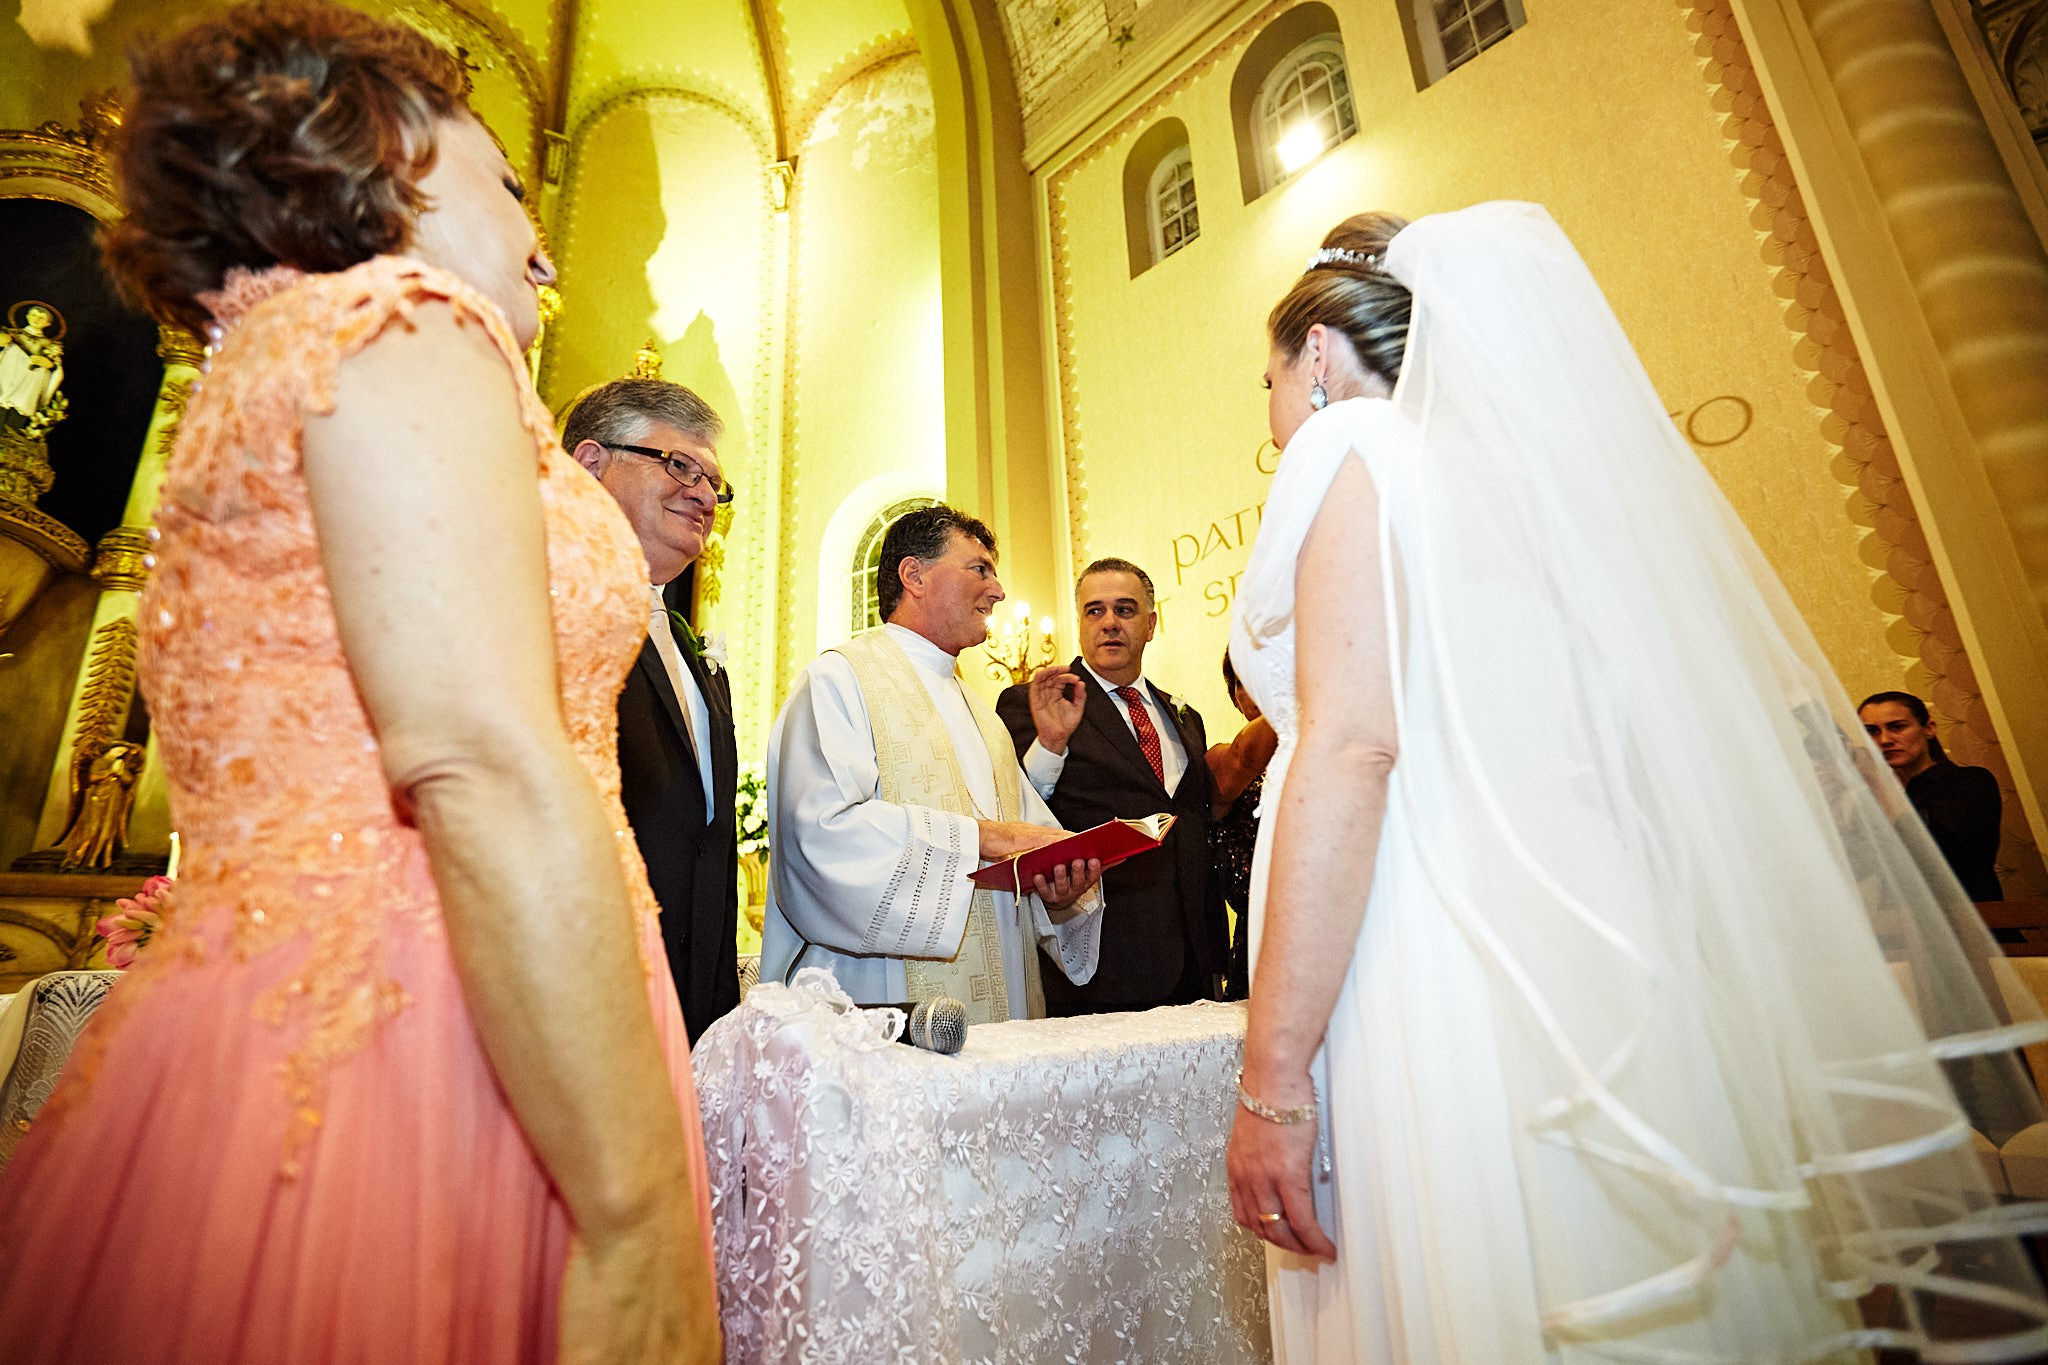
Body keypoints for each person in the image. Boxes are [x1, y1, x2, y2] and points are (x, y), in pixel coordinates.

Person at [0, 6, 720, 1361]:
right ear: (392, 152)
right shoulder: (395, 320)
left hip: (370, 1000)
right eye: (509, 186)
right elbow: (478, 755)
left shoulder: (271, 355)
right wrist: (632, 1213)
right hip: (436, 1021)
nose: (542, 239)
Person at [1224, 202, 2048, 1362]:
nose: (1268, 422)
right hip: (1574, 939)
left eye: (1263, 381)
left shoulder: (1346, 446)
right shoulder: (1522, 492)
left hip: (1416, 937)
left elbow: (1354, 746)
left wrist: (1272, 1076)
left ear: (1314, 355)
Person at [761, 504, 1106, 1021]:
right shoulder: (839, 679)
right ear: (914, 575)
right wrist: (985, 838)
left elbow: (1028, 842)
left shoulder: (981, 715)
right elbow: (817, 839)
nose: (998, 591)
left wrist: (1059, 893)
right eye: (979, 569)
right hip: (880, 1019)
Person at [566, 378, 742, 1042]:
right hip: (583, 1004)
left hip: (688, 1010)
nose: (703, 494)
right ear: (589, 464)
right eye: (678, 465)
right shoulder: (540, 609)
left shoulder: (693, 653)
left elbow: (705, 846)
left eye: (713, 483)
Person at [995, 558, 1224, 1013]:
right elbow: (1015, 816)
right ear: (1079, 624)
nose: (1110, 624)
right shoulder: (1032, 705)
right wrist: (1052, 742)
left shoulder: (1185, 717)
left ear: (1151, 624)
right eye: (1094, 611)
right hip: (1100, 970)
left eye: (1125, 609)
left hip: (1194, 972)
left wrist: (1214, 954)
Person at [1860, 690, 2004, 903]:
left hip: (1978, 921)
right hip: (1898, 927)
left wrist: (1875, 782)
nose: (1884, 739)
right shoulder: (1867, 799)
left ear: (1929, 729)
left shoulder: (1970, 782)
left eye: (1897, 727)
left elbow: (1934, 847)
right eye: (1872, 732)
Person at [1207, 649, 1275, 1000]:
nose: (1259, 689)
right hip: (1259, 941)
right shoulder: (1223, 761)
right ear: (1235, 697)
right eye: (1244, 682)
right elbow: (1245, 755)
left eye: (1268, 674)